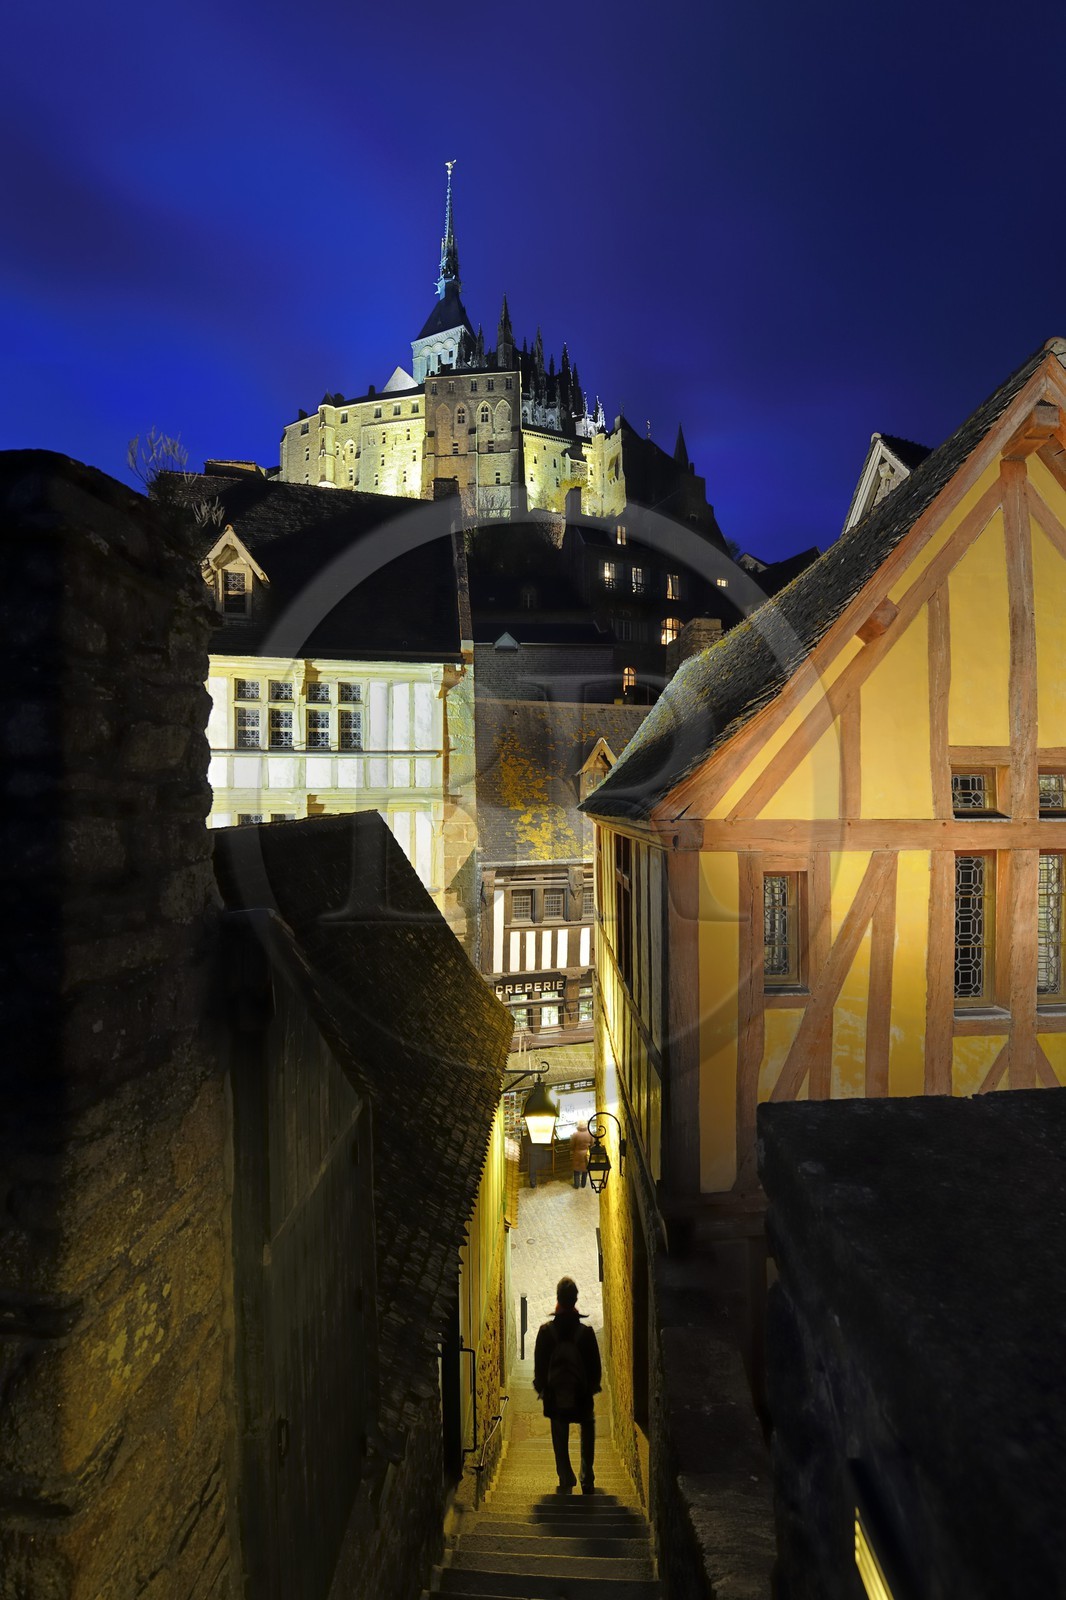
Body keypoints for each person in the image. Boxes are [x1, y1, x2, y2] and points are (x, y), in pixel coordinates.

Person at [533, 1276, 602, 1493]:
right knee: (588, 1424)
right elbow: (595, 1371)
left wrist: (544, 1389)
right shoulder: (586, 1334)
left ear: (558, 1299)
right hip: (581, 1396)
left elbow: (540, 1370)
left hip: (555, 1397)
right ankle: (587, 1475)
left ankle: (565, 1475)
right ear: (575, 1299)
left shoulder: (546, 1333)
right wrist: (589, 1388)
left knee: (559, 1428)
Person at [570, 1123, 593, 1188]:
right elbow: (592, 1143)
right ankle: (583, 1184)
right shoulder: (589, 1134)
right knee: (585, 1170)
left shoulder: (575, 1135)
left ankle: (576, 1185)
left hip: (577, 1154)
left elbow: (572, 1145)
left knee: (576, 1170)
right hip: (586, 1154)